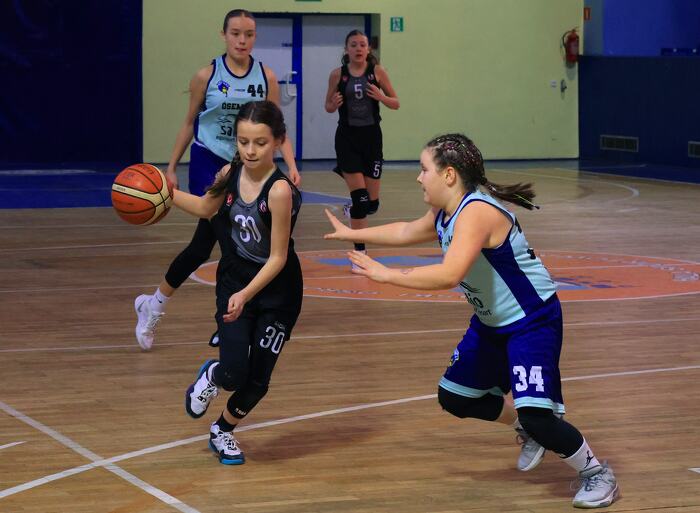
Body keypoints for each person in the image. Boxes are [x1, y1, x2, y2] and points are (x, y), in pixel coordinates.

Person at [324, 133, 620, 509]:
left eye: (424, 169)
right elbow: (406, 230)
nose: (418, 177)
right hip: (492, 323)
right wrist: (352, 233)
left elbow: (449, 274)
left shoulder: (476, 212)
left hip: (531, 320)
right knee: (455, 397)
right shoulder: (446, 211)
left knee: (538, 415)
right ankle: (526, 429)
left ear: (448, 175)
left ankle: (597, 474)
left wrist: (388, 275)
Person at [134, 9, 301, 350]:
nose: (242, 40)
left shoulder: (266, 77)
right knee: (224, 237)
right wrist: (171, 167)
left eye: (249, 34)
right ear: (223, 35)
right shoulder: (206, 76)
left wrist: (291, 163)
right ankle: (215, 318)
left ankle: (156, 303)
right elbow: (189, 123)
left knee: (210, 246)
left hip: (248, 164)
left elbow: (276, 126)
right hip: (209, 161)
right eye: (236, 33)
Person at [172, 100, 302, 465]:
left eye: (260, 142)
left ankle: (223, 431)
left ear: (278, 141)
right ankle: (213, 375)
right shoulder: (229, 172)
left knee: (257, 381)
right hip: (235, 280)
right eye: (243, 141)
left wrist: (246, 295)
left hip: (277, 291)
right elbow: (205, 208)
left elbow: (277, 258)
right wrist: (165, 194)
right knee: (232, 373)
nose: (250, 150)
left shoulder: (279, 191)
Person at [324, 29, 399, 268]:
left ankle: (353, 209)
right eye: (354, 45)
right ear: (346, 49)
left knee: (371, 205)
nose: (358, 48)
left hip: (372, 139)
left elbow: (396, 103)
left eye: (362, 45)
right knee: (361, 199)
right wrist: (333, 103)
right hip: (347, 139)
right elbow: (328, 106)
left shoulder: (377, 72)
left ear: (369, 49)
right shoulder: (338, 75)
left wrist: (380, 97)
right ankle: (360, 255)